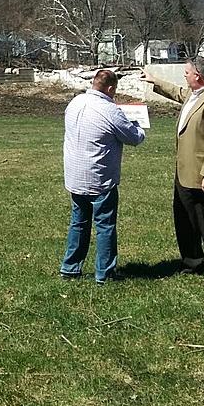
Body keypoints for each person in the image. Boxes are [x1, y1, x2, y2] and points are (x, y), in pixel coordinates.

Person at [141, 56, 204, 282]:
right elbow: (180, 94)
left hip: (202, 175)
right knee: (184, 220)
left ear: (198, 76)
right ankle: (192, 262)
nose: (185, 75)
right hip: (183, 172)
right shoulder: (194, 94)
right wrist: (154, 81)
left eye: (187, 72)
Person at [60, 68, 146, 284]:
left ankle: (70, 267)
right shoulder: (110, 110)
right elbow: (133, 137)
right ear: (110, 88)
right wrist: (139, 126)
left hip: (75, 174)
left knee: (78, 222)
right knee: (105, 225)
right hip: (100, 177)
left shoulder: (75, 103)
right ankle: (104, 273)